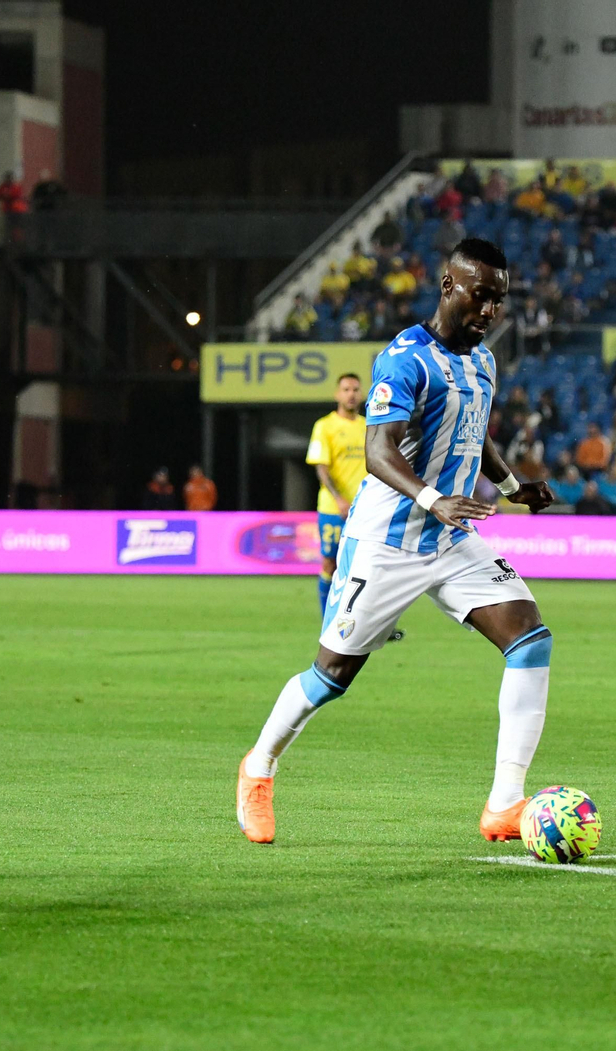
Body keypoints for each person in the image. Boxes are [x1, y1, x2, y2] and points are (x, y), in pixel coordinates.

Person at [235, 238, 557, 847]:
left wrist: (512, 485)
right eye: (479, 295)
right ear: (448, 287)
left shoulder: (483, 362)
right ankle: (258, 767)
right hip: (387, 540)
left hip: (452, 538)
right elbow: (377, 452)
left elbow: (476, 431)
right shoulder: (405, 359)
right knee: (331, 675)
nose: (490, 311)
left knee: (531, 642)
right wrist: (434, 497)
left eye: (499, 299)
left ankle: (504, 804)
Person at [306, 374, 367, 617]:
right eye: (346, 389)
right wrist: (340, 498)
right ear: (337, 394)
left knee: (365, 566)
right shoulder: (325, 426)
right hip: (334, 508)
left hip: (364, 510)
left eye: (355, 389)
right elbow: (321, 466)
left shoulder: (368, 425)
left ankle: (361, 621)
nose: (351, 394)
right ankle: (327, 621)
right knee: (330, 563)